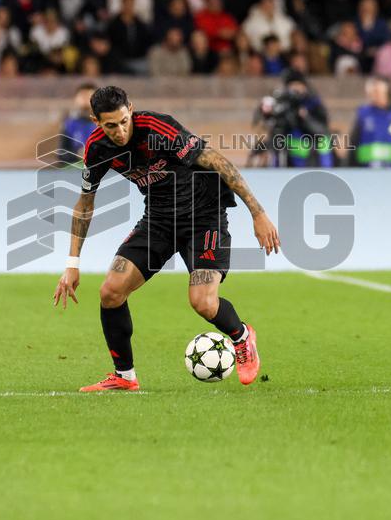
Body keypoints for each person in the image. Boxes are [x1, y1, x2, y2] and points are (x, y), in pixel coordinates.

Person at [52, 86, 280, 391]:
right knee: (111, 291)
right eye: (110, 126)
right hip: (158, 221)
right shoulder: (96, 148)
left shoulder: (160, 129)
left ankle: (241, 337)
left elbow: (218, 161)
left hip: (203, 217)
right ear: (96, 121)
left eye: (123, 121)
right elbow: (84, 204)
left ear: (130, 109)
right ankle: (125, 376)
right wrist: (72, 263)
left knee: (202, 301)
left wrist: (258, 213)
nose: (120, 131)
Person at [348, 77, 391, 168]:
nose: (373, 94)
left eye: (377, 91)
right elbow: (353, 141)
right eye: (371, 91)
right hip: (367, 169)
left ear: (386, 91)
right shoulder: (363, 113)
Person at [58, 82, 97, 164]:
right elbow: (61, 154)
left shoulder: (106, 124)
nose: (86, 100)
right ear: (76, 99)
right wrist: (78, 154)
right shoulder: (69, 124)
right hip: (75, 171)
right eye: (83, 96)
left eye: (89, 96)